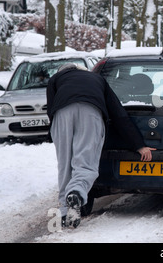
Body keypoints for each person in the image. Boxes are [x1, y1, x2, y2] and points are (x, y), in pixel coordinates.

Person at [46, 63, 155, 228]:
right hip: (91, 113)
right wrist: (138, 145)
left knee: (65, 163)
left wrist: (54, 132)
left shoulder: (56, 79)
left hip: (62, 114)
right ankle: (76, 192)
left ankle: (64, 210)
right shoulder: (97, 79)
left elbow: (51, 107)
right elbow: (119, 114)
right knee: (86, 162)